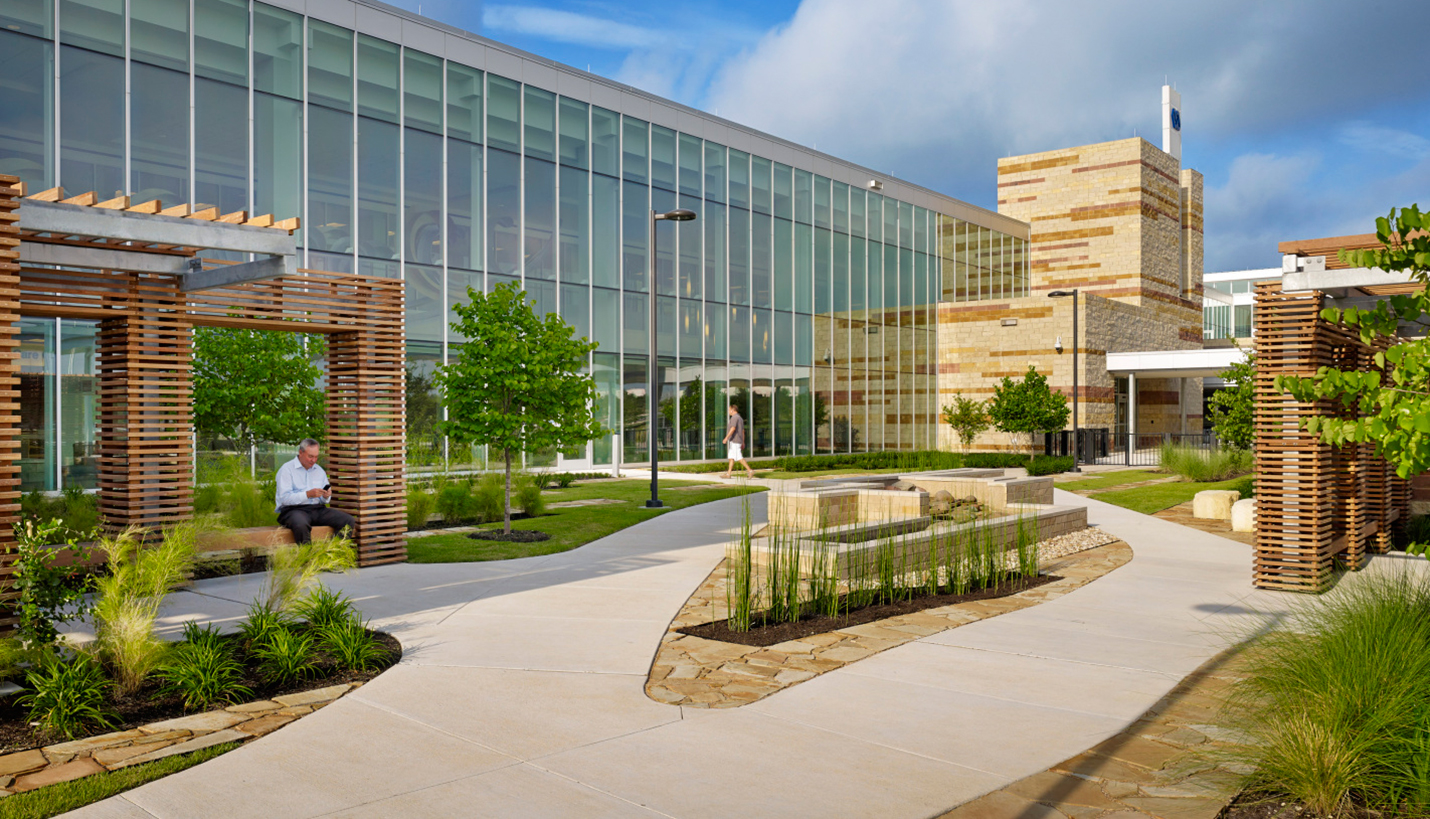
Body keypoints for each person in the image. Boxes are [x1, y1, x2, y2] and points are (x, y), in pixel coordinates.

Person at [275, 438, 356, 543]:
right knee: (301, 524)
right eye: (310, 456)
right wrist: (307, 494)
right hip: (293, 510)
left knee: (348, 521)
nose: (313, 460)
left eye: (316, 457)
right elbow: (284, 499)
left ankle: (332, 553)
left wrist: (326, 496)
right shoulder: (287, 469)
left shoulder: (319, 471)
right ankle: (307, 557)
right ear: (300, 453)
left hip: (317, 509)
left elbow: (323, 500)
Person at [722, 403, 755, 479]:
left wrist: (726, 438)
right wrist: (743, 442)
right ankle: (728, 474)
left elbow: (733, 428)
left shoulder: (734, 418)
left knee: (738, 457)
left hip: (735, 441)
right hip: (737, 441)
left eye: (729, 410)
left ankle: (750, 471)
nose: (728, 411)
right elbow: (743, 431)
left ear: (733, 410)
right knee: (731, 457)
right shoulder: (740, 418)